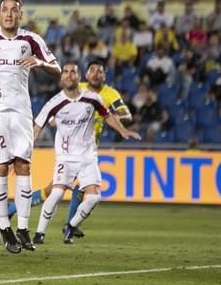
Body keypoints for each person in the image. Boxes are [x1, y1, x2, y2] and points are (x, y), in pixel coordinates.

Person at [0, 0, 60, 254]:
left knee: (24, 165)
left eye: (14, 10)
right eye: (5, 10)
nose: (9, 14)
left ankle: (23, 229)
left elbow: (57, 68)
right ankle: (5, 228)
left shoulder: (31, 40)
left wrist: (40, 62)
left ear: (20, 14)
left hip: (21, 111)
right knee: (0, 166)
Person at [33, 63, 141, 244]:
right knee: (57, 193)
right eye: (65, 72)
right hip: (66, 157)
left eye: (73, 72)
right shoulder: (54, 103)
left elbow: (107, 115)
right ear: (61, 79)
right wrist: (26, 148)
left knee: (94, 197)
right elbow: (37, 127)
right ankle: (39, 233)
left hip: (88, 157)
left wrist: (123, 131)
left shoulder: (93, 99)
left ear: (78, 76)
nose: (69, 75)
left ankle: (71, 226)